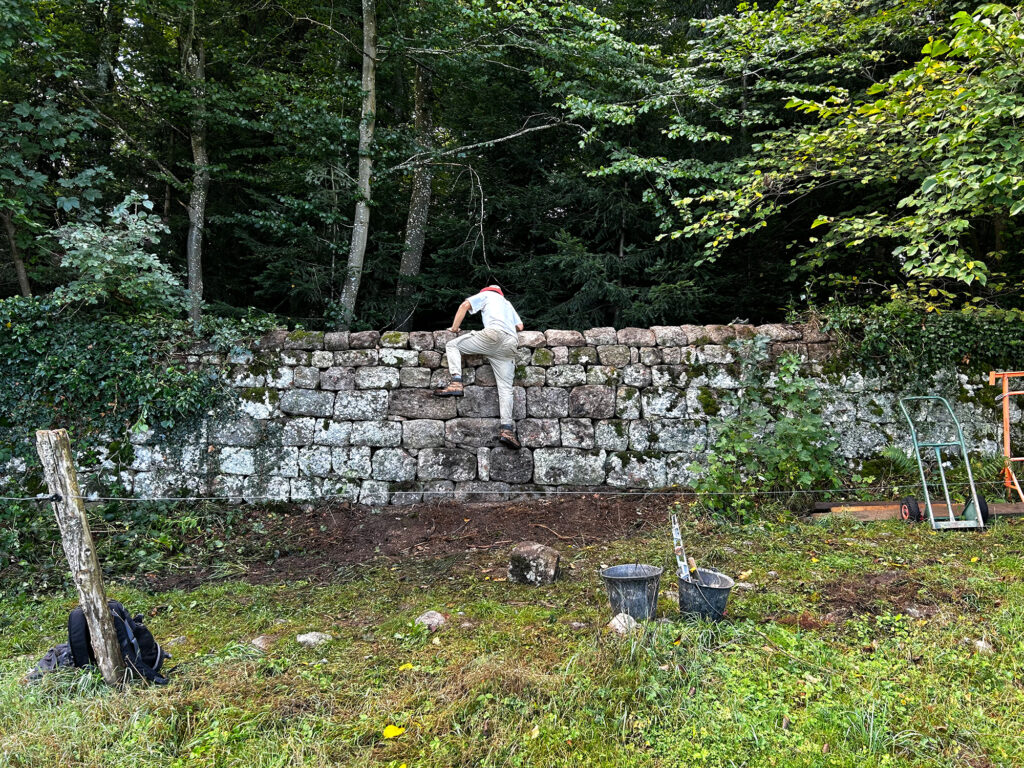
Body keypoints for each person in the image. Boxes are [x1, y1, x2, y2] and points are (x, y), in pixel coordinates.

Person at [435, 285, 523, 449]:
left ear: (486, 290)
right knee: (505, 388)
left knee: (453, 345)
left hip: (493, 335)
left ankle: (456, 381)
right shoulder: (507, 303)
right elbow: (520, 327)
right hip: (510, 342)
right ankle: (507, 430)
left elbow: (465, 305)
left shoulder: (487, 295)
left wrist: (454, 328)